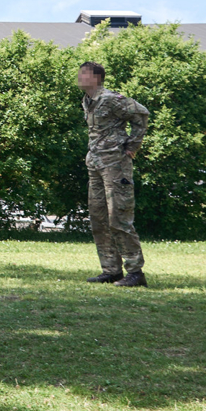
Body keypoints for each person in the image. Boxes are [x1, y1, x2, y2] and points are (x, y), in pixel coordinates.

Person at [78, 61, 150, 288]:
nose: (80, 77)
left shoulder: (110, 99)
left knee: (119, 216)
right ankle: (111, 270)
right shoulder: (88, 101)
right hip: (96, 164)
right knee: (98, 217)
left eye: (84, 73)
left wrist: (132, 146)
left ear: (97, 77)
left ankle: (135, 272)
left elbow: (141, 114)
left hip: (115, 164)